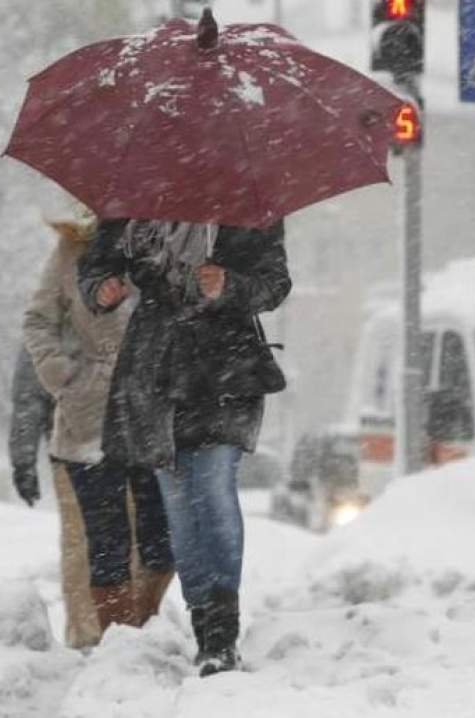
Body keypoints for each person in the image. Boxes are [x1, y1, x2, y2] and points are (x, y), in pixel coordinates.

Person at [79, 218, 290, 676]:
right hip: (155, 370)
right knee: (178, 501)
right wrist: (102, 289)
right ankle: (204, 625)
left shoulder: (244, 202)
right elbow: (94, 267)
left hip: (227, 367)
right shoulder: (133, 200)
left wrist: (229, 285)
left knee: (212, 488)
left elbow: (274, 283)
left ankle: (222, 632)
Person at [20, 208, 176, 645]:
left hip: (158, 409)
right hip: (89, 412)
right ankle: (110, 643)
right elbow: (38, 320)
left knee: (161, 541)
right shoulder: (76, 247)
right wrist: (62, 374)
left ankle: (139, 629)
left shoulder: (175, 240)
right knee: (103, 542)